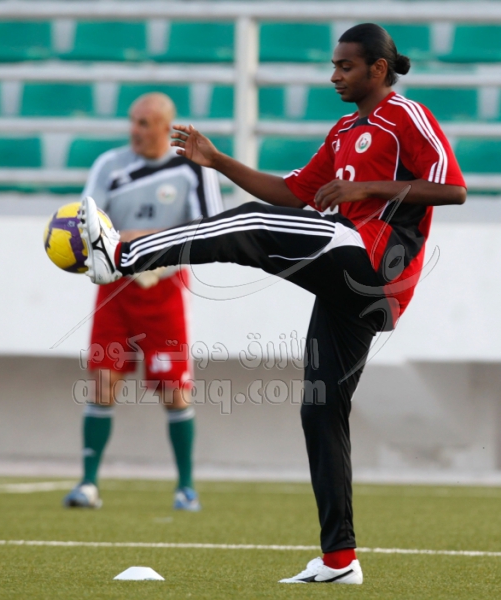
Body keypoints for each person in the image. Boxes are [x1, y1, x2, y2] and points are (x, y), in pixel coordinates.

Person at [77, 24, 466, 583]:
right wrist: (219, 161)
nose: (334, 76)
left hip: (377, 262)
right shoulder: (343, 130)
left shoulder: (407, 116)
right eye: (333, 66)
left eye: (346, 66)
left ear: (378, 69)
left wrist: (368, 189)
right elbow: (292, 192)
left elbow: (453, 189)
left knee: (253, 227)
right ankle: (339, 560)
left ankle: (121, 254)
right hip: (355, 286)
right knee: (320, 408)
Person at [64, 93, 223, 511]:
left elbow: (210, 227)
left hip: (165, 288)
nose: (135, 130)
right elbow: (87, 222)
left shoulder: (192, 169)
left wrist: (146, 241)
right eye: (133, 121)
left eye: (145, 123)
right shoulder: (109, 165)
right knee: (103, 380)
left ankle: (185, 487)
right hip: (116, 286)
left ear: (166, 127)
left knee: (173, 390)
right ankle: (88, 484)